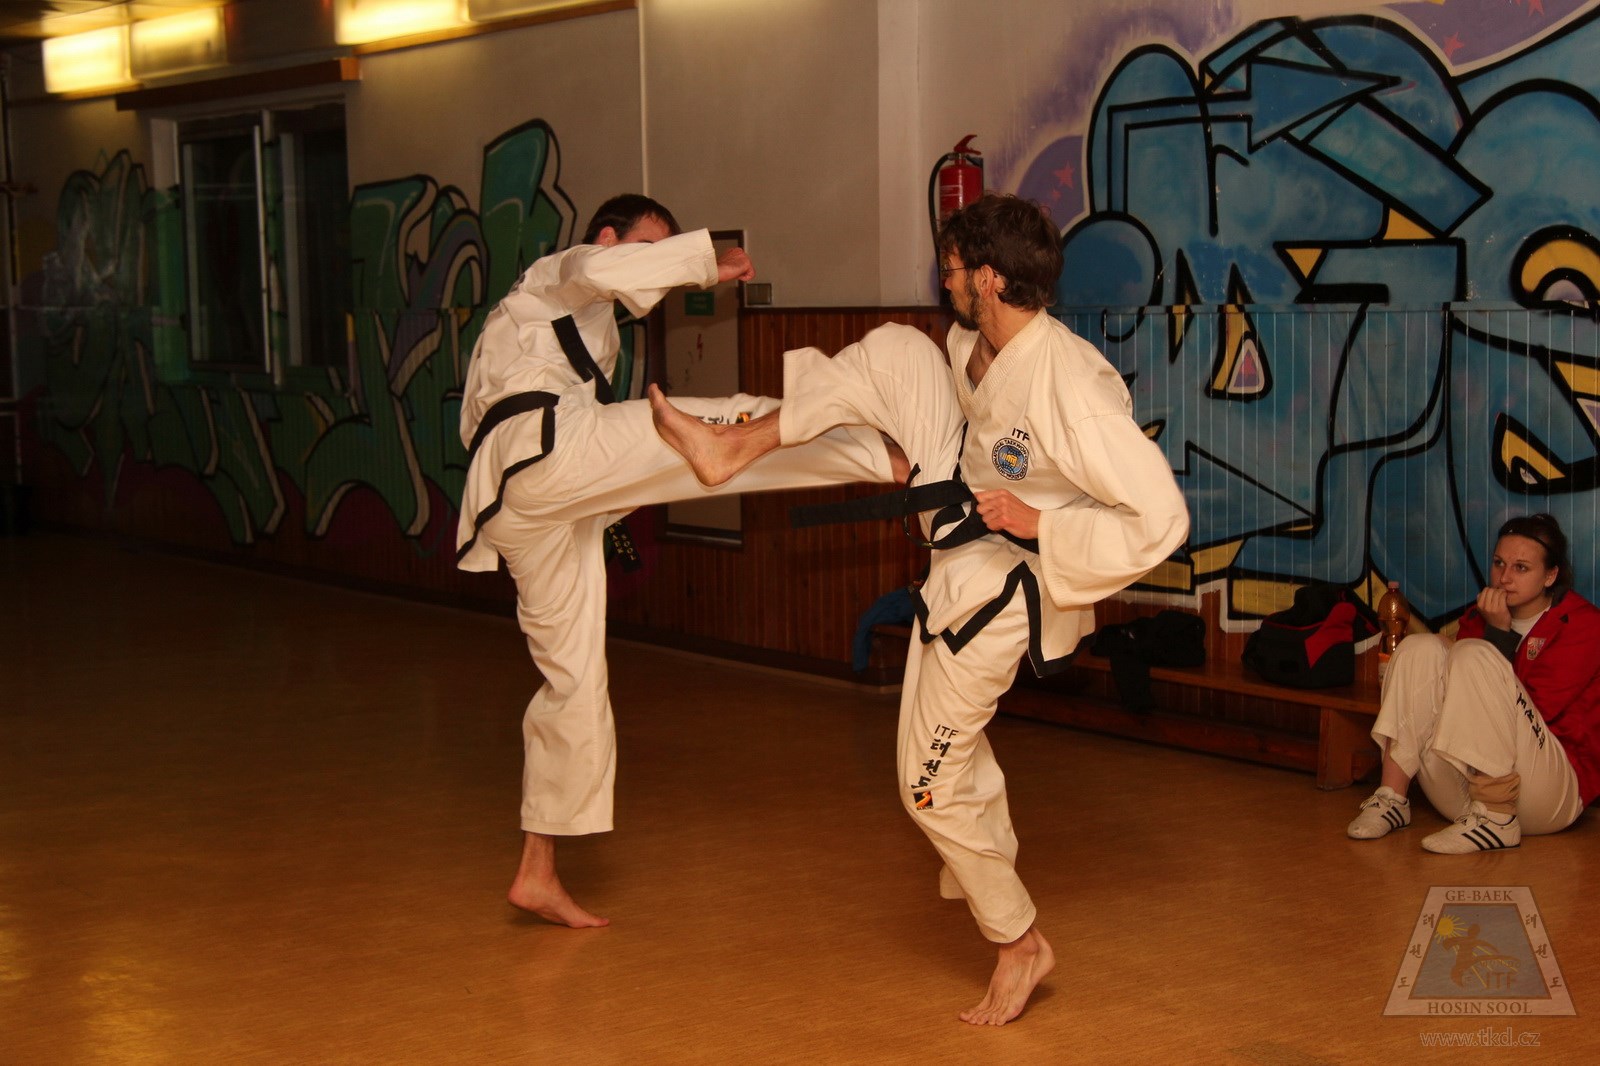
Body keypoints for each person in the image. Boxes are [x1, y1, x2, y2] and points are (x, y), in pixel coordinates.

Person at [650, 194, 1190, 1025]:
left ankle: (1019, 943)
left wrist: (1042, 521)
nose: (944, 279)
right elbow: (967, 420)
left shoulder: (1072, 392)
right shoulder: (973, 342)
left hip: (1006, 585)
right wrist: (912, 455)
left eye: (953, 268)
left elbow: (1162, 522)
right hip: (961, 531)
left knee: (927, 784)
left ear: (990, 278)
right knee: (898, 353)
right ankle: (735, 446)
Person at [456, 194, 899, 928]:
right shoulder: (557, 275)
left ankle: (537, 871)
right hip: (546, 451)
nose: (651, 270)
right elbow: (600, 271)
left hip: (527, 502)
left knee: (574, 683)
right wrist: (702, 263)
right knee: (727, 422)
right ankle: (890, 456)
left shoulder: (587, 326)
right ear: (607, 238)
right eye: (645, 249)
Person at [1346, 513, 1600, 852]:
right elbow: (1461, 699)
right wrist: (1480, 635)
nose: (1504, 577)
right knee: (1419, 647)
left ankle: (1498, 820)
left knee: (1473, 653)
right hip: (1467, 796)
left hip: (1548, 793)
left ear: (1550, 575)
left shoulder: (1584, 625)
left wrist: (1498, 635)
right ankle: (1392, 797)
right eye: (1499, 563)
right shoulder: (1479, 615)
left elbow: (1536, 710)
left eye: (1521, 568)